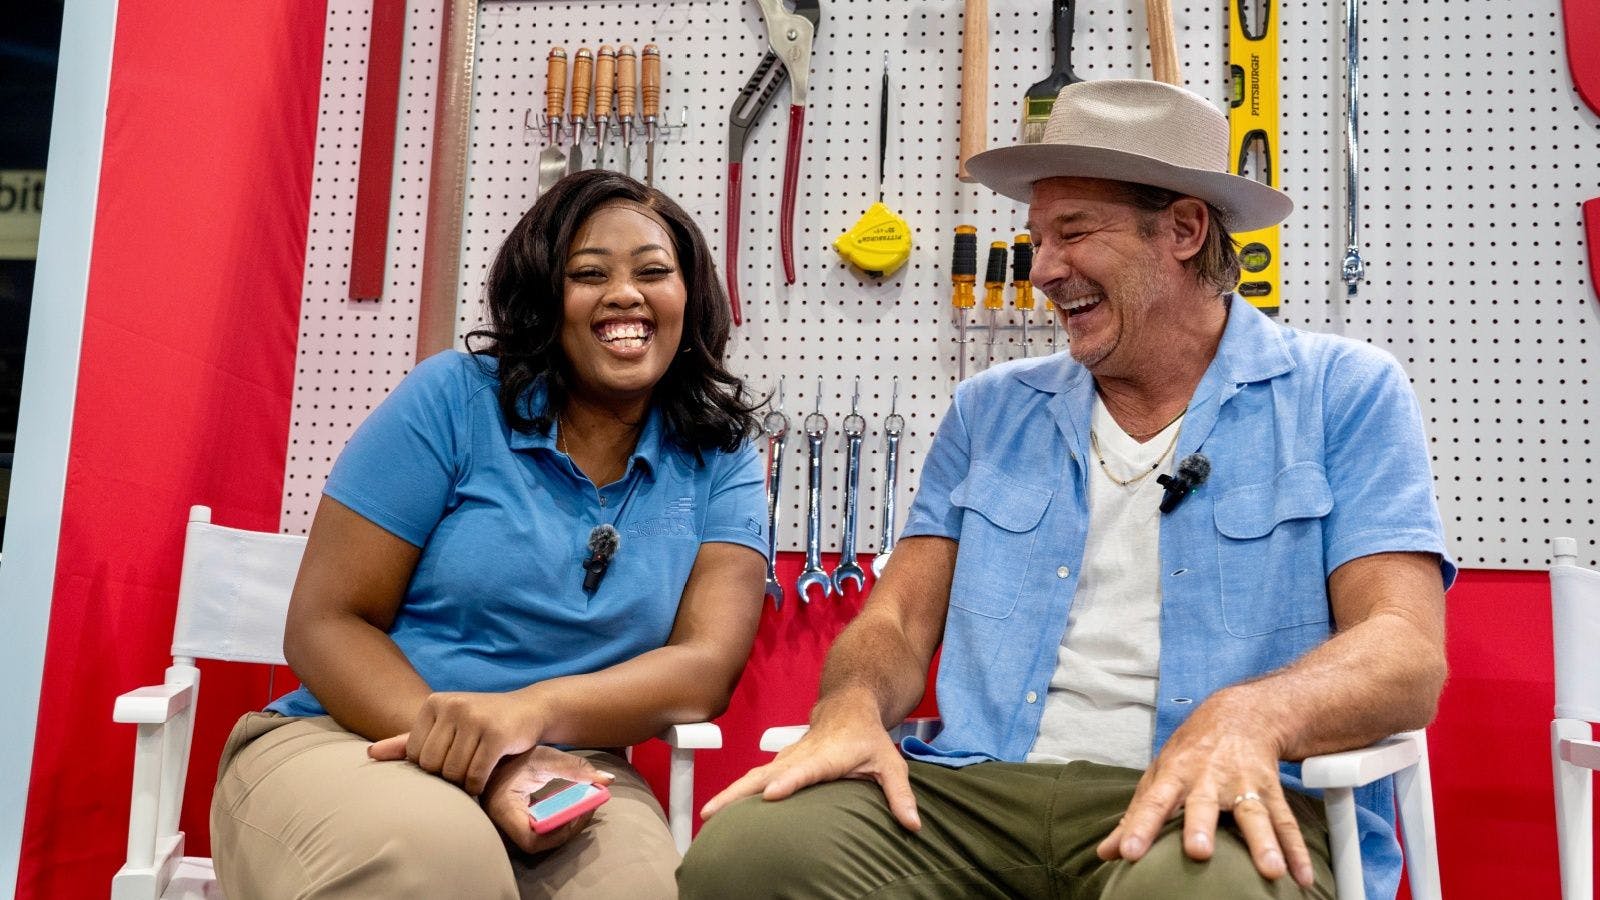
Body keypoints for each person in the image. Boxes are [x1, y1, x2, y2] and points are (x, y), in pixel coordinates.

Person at [678, 79, 1453, 900]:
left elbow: (1405, 653)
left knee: (1193, 891)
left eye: (1072, 233)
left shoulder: (1345, 393)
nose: (1041, 268)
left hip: (1217, 796)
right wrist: (851, 704)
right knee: (745, 858)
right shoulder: (989, 408)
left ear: (1186, 229)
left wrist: (1250, 716)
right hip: (975, 797)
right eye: (1038, 237)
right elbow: (898, 618)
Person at [210, 169, 769, 899]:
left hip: (570, 761)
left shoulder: (720, 454)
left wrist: (528, 718)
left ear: (688, 298)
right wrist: (492, 757)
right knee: (438, 868)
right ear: (545, 297)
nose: (626, 294)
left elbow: (706, 667)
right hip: (355, 738)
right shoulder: (452, 399)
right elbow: (324, 623)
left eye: (654, 272)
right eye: (588, 273)